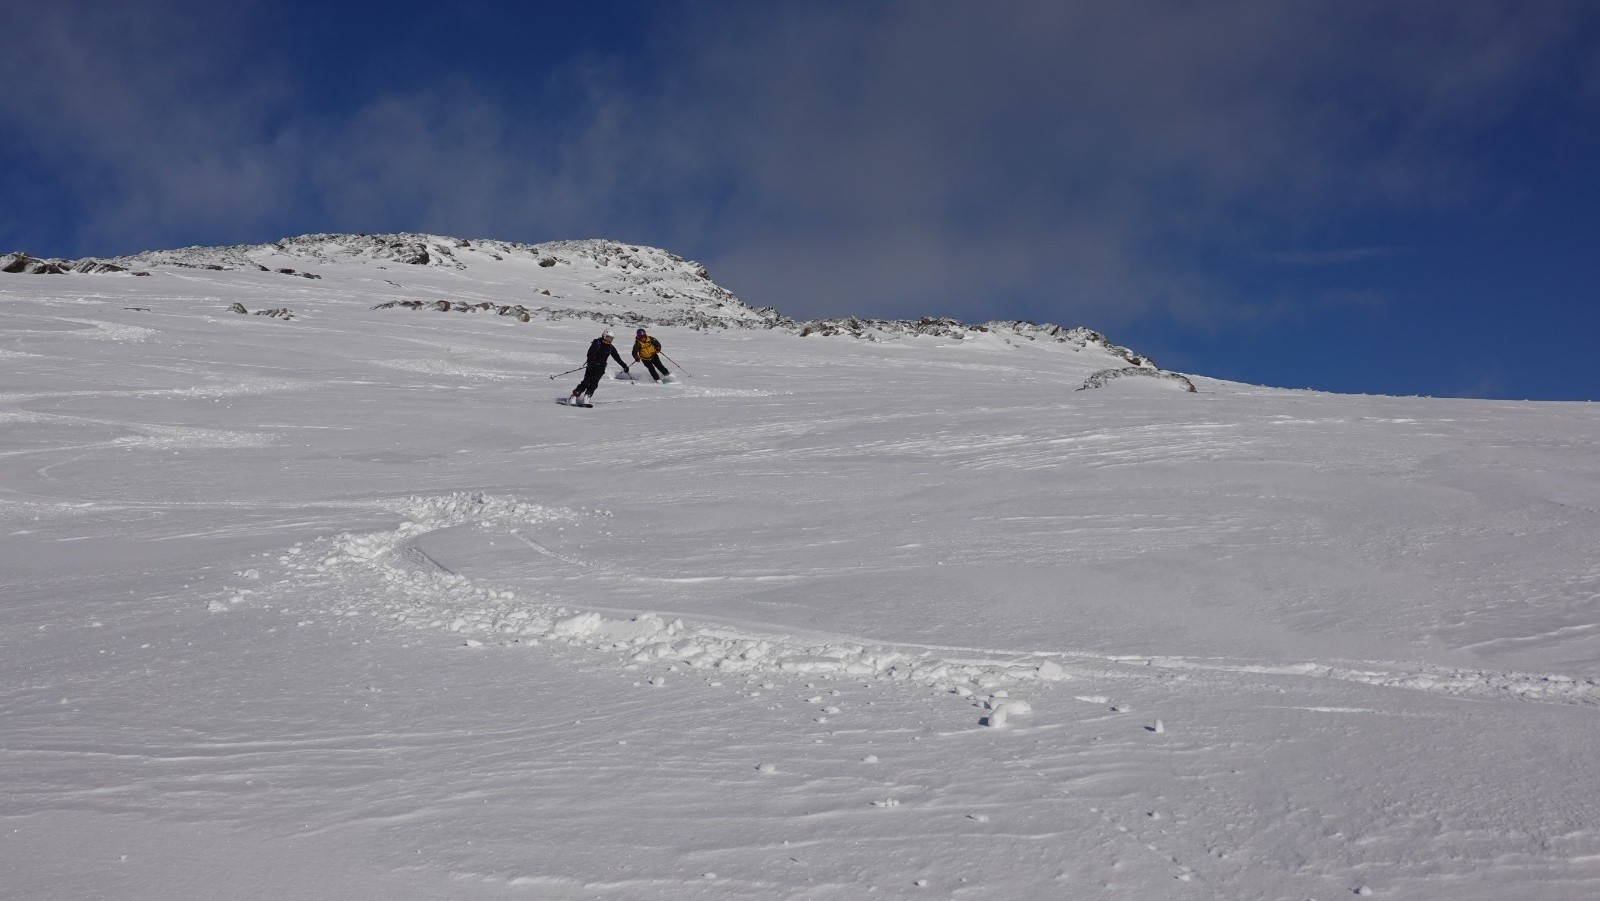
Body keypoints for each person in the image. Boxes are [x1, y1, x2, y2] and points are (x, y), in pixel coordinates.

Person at [568, 328, 629, 406]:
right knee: (586, 382)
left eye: (611, 338)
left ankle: (587, 397)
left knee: (594, 383)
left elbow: (617, 357)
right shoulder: (597, 343)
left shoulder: (610, 348)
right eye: (608, 337)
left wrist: (624, 366)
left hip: (600, 368)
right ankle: (574, 396)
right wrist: (591, 362)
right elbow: (590, 353)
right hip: (591, 366)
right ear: (604, 335)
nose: (609, 340)